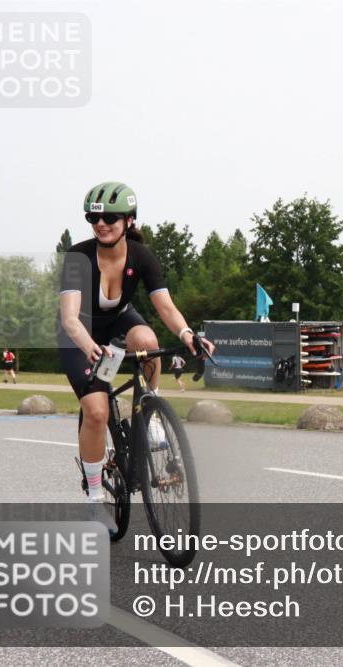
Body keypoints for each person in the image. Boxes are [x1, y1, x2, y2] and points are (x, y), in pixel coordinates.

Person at [58, 182, 214, 533]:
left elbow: (165, 307)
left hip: (119, 323)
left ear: (129, 220)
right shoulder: (78, 257)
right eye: (93, 218)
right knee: (96, 412)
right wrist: (89, 347)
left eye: (110, 218)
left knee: (146, 338)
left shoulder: (142, 256)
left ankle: (150, 410)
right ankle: (95, 500)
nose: (101, 225)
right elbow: (69, 317)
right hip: (78, 334)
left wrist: (188, 334)